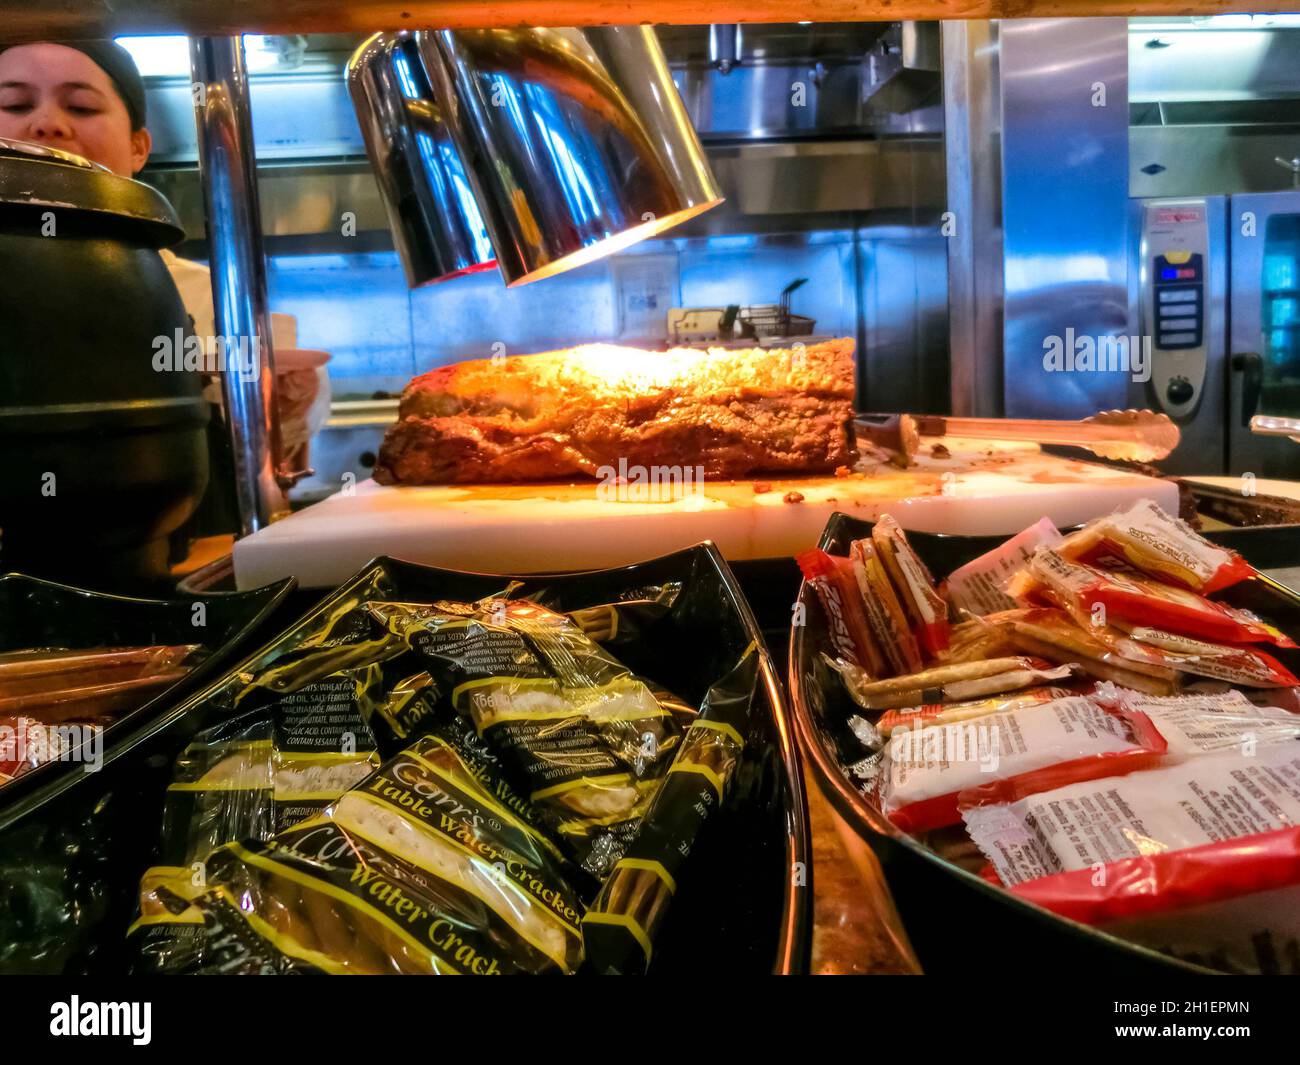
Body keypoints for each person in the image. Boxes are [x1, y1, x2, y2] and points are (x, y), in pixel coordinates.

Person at [0, 39, 329, 531]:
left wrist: (288, 396)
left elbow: (293, 432)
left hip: (185, 560)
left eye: (82, 106)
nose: (47, 124)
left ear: (138, 148)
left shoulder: (211, 296)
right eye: (14, 104)